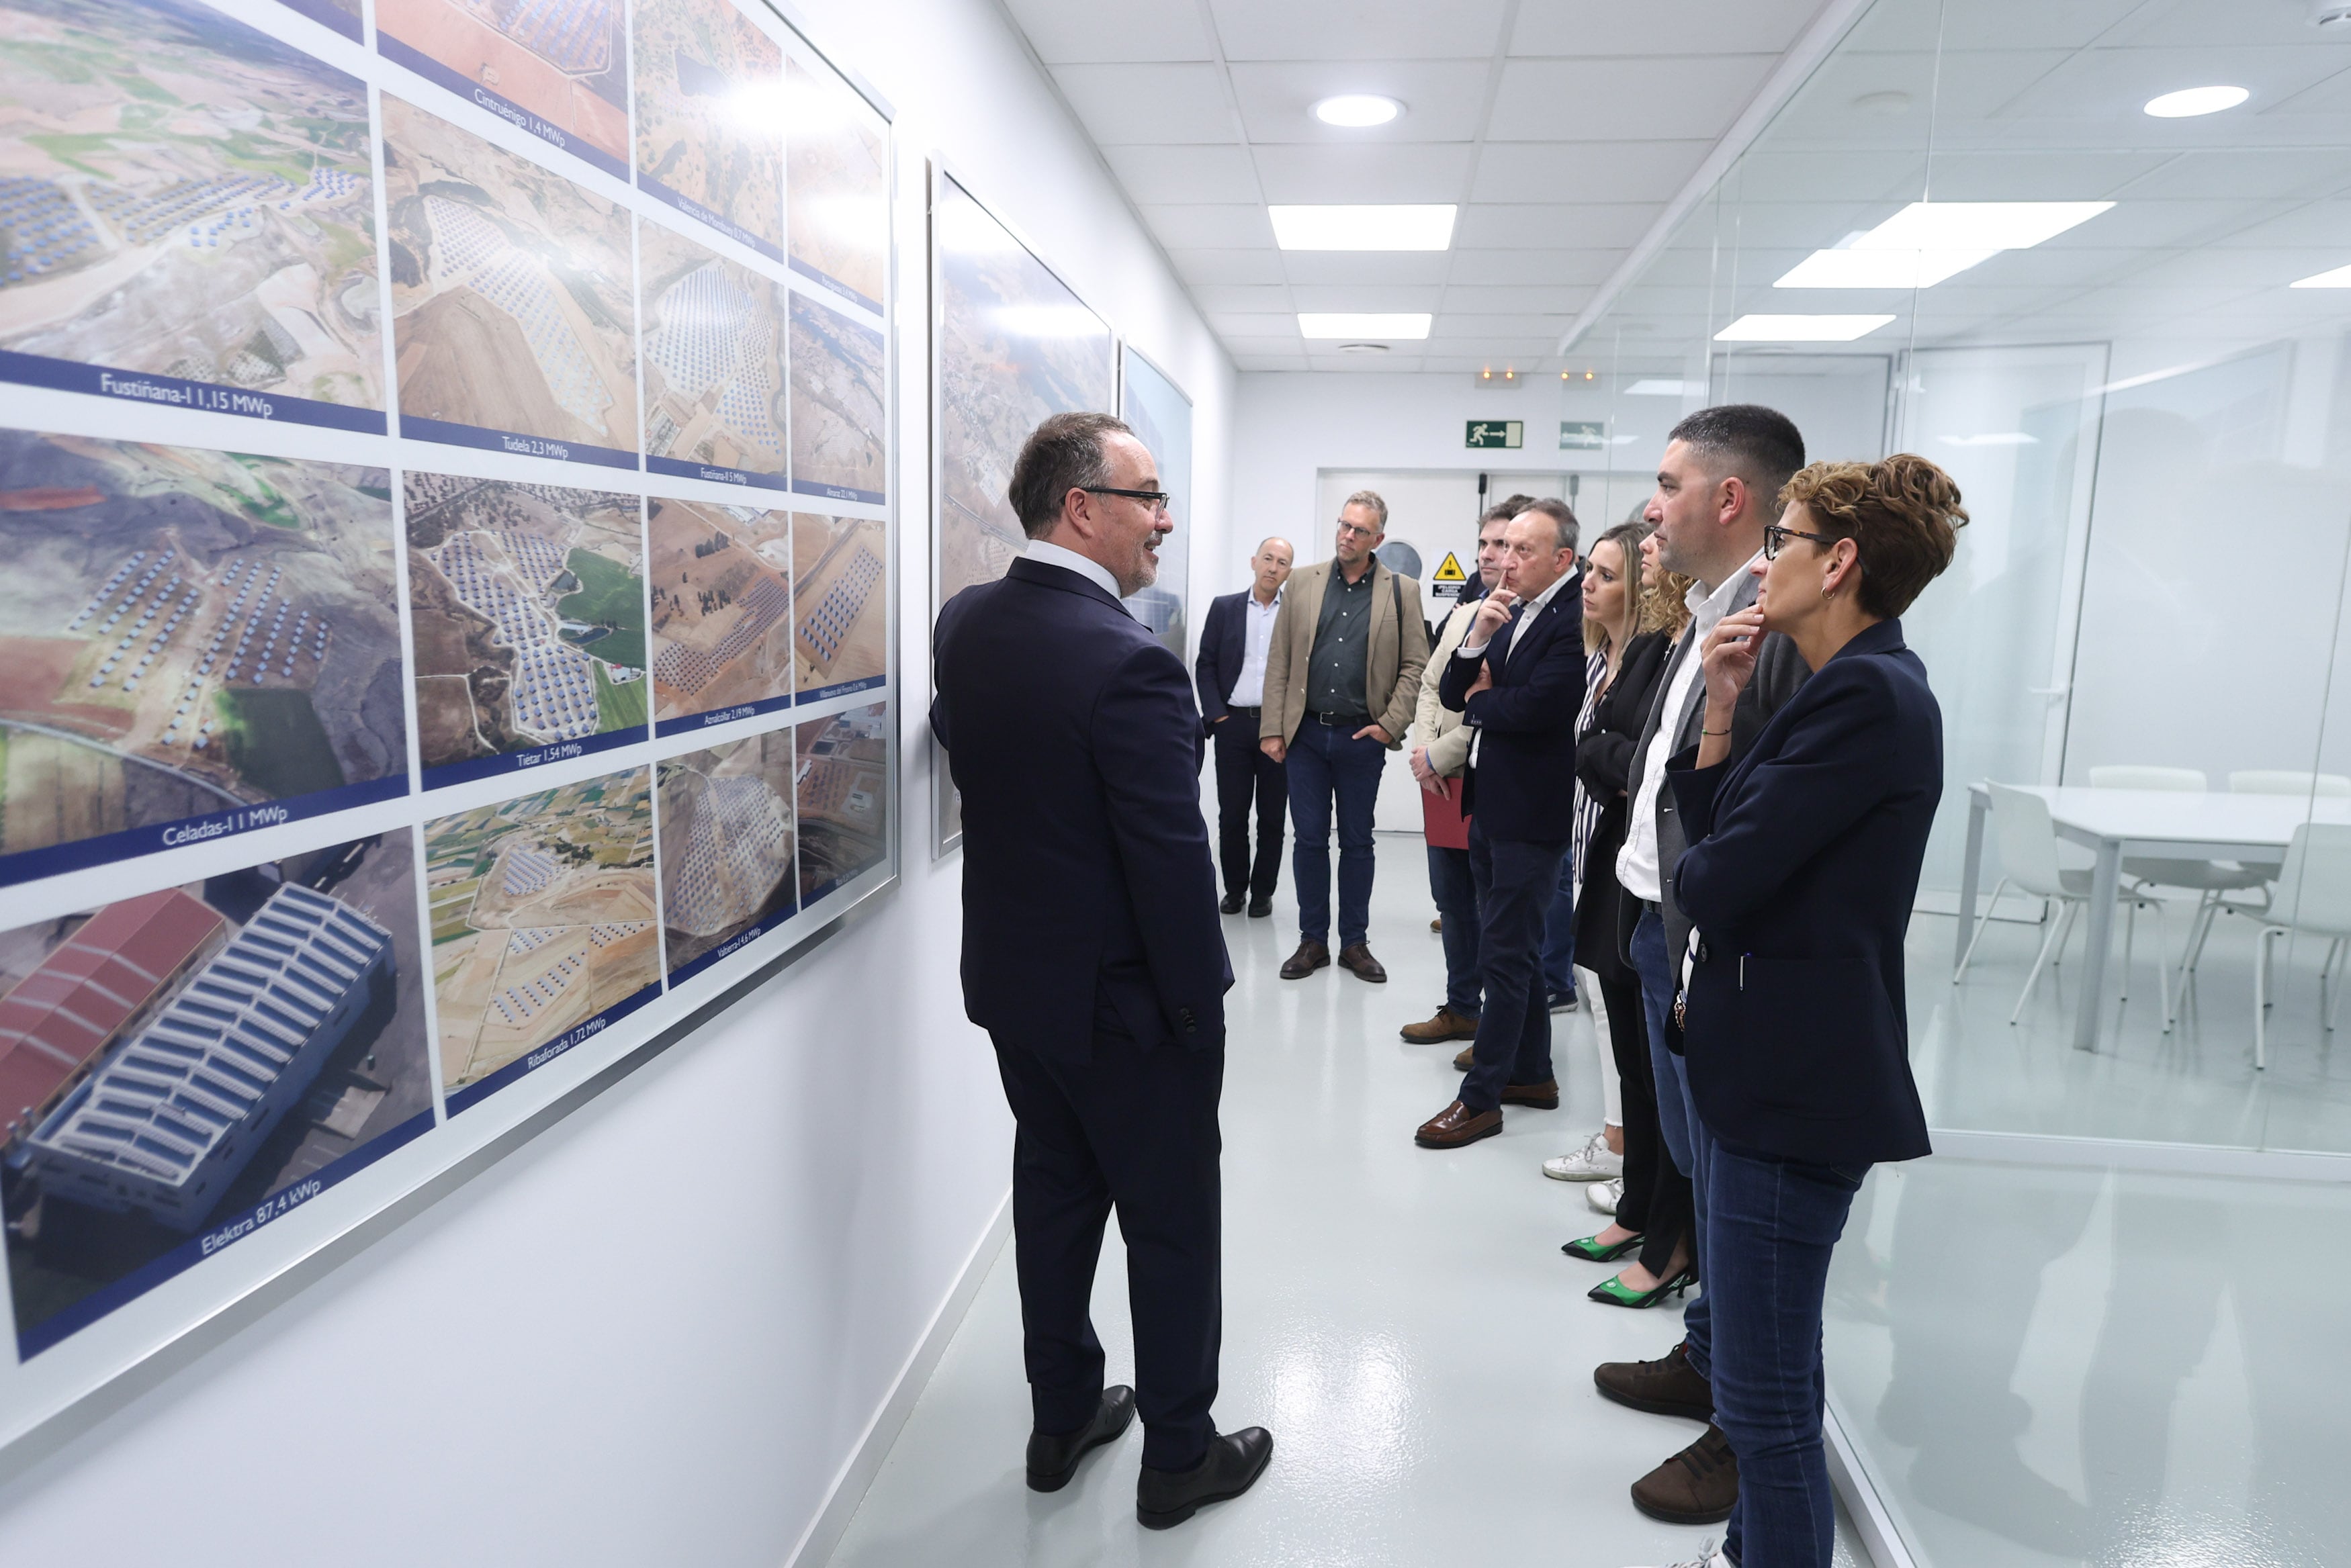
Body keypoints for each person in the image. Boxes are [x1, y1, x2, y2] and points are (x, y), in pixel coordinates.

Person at [930, 411, 1272, 1529]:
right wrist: (1199, 1012)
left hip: (1016, 992)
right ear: (1082, 509)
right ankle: (1179, 1454)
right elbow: (1172, 867)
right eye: (1146, 498)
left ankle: (1062, 1417)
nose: (1163, 521)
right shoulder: (1128, 660)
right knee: (1171, 1223)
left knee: (1056, 1199)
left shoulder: (968, 624)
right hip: (1129, 1008)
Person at [1646, 455, 1964, 1568]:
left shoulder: (1873, 696)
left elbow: (1721, 877)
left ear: (1838, 562)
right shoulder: (1837, 686)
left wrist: (1713, 860)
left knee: (1767, 1403)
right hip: (1764, 1067)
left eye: (1782, 539)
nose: (1765, 562)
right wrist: (1724, 710)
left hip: (1795, 1088)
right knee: (1766, 1363)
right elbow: (1734, 839)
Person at [1595, 405, 1811, 1530]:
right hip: (1652, 917)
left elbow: (1750, 821)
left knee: (1730, 1196)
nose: (1651, 503)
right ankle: (1705, 1357)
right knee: (1692, 1165)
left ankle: (1740, 1420)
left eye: (1670, 483)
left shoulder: (1777, 626)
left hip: (1698, 938)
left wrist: (1687, 944)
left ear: (1732, 498)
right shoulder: (1701, 615)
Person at [1551, 521, 1697, 1316]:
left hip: (1649, 880)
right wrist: (1610, 751)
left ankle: (1669, 1238)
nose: (1650, 540)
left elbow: (1636, 758)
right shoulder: (1653, 646)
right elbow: (1607, 745)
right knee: (1639, 1074)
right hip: (1619, 872)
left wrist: (1607, 751)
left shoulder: (1687, 641)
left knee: (1656, 1072)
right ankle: (1639, 1213)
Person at [1413, 499, 1585, 1149]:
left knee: (1505, 958)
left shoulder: (1571, 618)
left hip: (1529, 812)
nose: (1504, 562)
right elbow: (1460, 692)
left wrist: (1488, 697)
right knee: (1505, 948)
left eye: (1521, 551)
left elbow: (1541, 707)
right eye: (1502, 548)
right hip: (1491, 805)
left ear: (1560, 559)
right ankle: (1532, 1074)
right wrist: (1479, 642)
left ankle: (1480, 1098)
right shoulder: (1511, 609)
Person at [1260, 491, 1431, 984]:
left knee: (1357, 842)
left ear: (1378, 538)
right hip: (1307, 735)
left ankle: (1354, 943)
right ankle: (1313, 941)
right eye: (1343, 525)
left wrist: (1389, 726)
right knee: (1309, 839)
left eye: (1359, 530)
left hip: (1361, 738)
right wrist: (1273, 728)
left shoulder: (1401, 590)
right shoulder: (1303, 582)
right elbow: (1281, 660)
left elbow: (1415, 665)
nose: (1347, 535)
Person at [1401, 499, 1521, 1045]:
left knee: (1489, 908)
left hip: (1479, 777)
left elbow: (1496, 706)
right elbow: (1432, 682)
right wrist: (1424, 748)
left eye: (1506, 544)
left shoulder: (1525, 622)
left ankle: (1497, 1027)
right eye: (1486, 544)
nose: (1492, 554)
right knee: (1450, 901)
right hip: (1439, 781)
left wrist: (1441, 753)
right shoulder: (1464, 611)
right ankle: (1460, 1006)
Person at [1196, 537, 1296, 918]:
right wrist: (1217, 716)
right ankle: (1235, 889)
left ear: (1289, 571)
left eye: (1282, 562)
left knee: (1272, 816)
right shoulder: (1225, 608)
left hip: (1278, 729)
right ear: (1254, 561)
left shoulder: (1295, 613)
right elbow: (1205, 664)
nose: (1273, 567)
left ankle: (1263, 892)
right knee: (1233, 814)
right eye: (1268, 559)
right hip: (1233, 725)